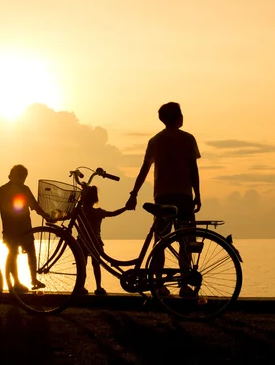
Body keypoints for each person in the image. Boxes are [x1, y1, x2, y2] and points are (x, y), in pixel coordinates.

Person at [125, 102, 201, 297]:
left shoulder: (155, 140)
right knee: (185, 240)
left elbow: (145, 169)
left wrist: (134, 193)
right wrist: (198, 194)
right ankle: (184, 285)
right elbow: (193, 169)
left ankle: (158, 284)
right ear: (178, 117)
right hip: (184, 196)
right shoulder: (188, 139)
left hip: (162, 196)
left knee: (160, 241)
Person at [0, 165, 50, 292]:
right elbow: (35, 207)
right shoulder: (18, 189)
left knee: (16, 255)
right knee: (24, 254)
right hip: (21, 229)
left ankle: (21, 282)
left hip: (15, 229)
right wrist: (46, 216)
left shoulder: (6, 189)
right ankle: (23, 281)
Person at [77, 185, 127, 295]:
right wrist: (125, 208)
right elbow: (113, 213)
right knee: (96, 265)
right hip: (95, 242)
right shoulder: (98, 212)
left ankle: (80, 286)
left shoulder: (80, 212)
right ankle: (98, 287)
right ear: (95, 200)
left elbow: (68, 214)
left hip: (82, 241)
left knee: (82, 265)